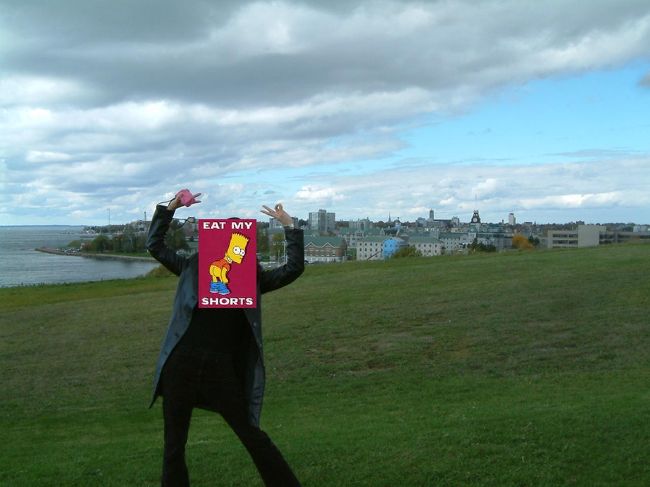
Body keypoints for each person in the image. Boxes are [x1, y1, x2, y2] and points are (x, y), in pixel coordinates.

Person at [146, 191, 304, 487]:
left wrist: (290, 225)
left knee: (252, 436)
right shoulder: (192, 269)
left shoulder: (251, 281)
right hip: (181, 364)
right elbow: (154, 245)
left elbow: (293, 268)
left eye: (242, 246)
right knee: (174, 447)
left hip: (219, 372)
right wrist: (171, 207)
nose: (240, 252)